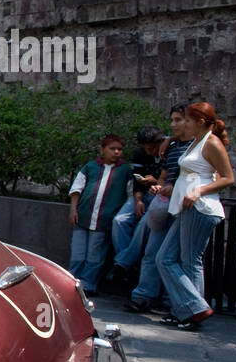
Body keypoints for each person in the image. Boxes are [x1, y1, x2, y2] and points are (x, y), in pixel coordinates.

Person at [156, 102, 235, 330]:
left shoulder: (211, 143)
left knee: (190, 261)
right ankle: (187, 309)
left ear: (200, 122)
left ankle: (193, 311)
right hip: (187, 206)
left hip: (200, 207)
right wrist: (168, 139)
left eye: (187, 120)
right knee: (165, 258)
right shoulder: (196, 142)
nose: (185, 124)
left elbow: (228, 178)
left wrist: (199, 190)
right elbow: (179, 140)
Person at [126, 106, 193, 313]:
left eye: (178, 120)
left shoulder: (199, 146)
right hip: (165, 203)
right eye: (172, 119)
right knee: (152, 253)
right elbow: (165, 175)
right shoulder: (172, 146)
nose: (172, 124)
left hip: (185, 206)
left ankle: (174, 300)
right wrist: (160, 185)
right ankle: (143, 295)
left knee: (176, 258)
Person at [68, 135, 135, 294]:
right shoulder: (90, 167)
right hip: (83, 217)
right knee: (78, 253)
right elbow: (76, 189)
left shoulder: (125, 171)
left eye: (119, 149)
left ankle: (88, 285)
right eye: (112, 149)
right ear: (102, 149)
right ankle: (71, 282)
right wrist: (73, 210)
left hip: (103, 221)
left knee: (95, 255)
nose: (116, 152)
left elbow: (131, 194)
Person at [108, 125, 164, 285]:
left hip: (159, 195)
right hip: (142, 193)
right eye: (145, 149)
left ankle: (122, 264)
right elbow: (137, 183)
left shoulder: (168, 151)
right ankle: (128, 263)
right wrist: (138, 200)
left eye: (151, 149)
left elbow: (168, 179)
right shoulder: (140, 154)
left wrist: (155, 181)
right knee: (120, 221)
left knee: (144, 224)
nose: (149, 152)